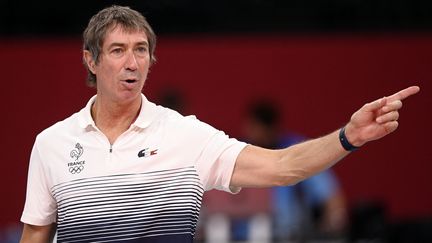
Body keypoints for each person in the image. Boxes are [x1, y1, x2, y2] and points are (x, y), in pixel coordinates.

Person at [19, 5, 420, 243]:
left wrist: (349, 136)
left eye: (141, 50)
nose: (132, 63)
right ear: (91, 61)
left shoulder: (185, 136)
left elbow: (284, 167)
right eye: (118, 51)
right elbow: (36, 235)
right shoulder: (52, 143)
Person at [243, 100, 348, 241]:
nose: (254, 133)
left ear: (273, 128)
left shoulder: (296, 151)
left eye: (259, 128)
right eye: (251, 127)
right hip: (240, 236)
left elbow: (331, 196)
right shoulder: (241, 152)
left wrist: (332, 229)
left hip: (289, 235)